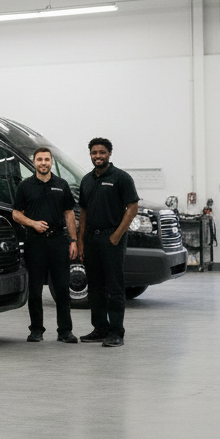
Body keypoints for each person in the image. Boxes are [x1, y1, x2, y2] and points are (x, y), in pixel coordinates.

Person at [76, 137, 139, 347]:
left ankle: (116, 332)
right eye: (94, 153)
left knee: (114, 287)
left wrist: (116, 236)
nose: (98, 156)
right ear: (90, 155)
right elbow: (83, 212)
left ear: (109, 154)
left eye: (102, 152)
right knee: (95, 287)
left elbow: (132, 208)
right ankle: (100, 329)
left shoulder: (121, 178)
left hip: (112, 239)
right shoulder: (86, 180)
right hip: (91, 240)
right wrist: (81, 240)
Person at [12, 147, 78, 343]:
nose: (43, 163)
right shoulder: (25, 186)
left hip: (58, 241)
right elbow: (16, 213)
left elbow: (69, 214)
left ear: (51, 162)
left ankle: (65, 331)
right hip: (35, 242)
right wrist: (33, 223)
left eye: (46, 159)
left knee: (62, 288)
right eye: (39, 159)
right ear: (34, 162)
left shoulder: (62, 185)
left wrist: (73, 240)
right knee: (35, 288)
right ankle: (36, 330)